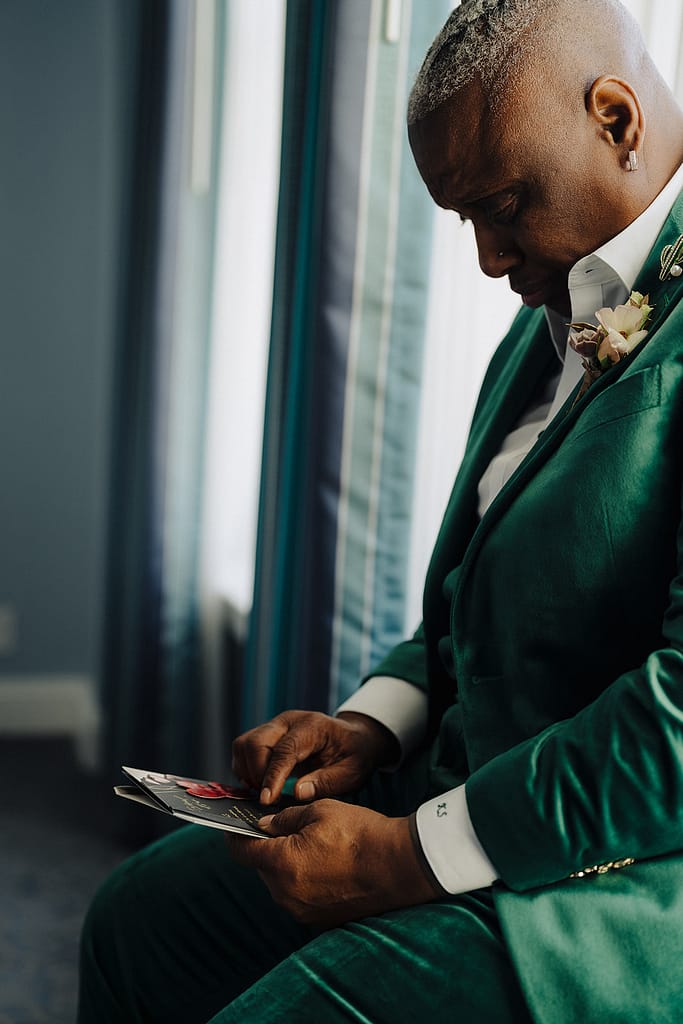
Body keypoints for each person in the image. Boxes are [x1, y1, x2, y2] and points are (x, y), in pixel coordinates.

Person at [78, 1, 683, 1020]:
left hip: (609, 889)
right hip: (443, 791)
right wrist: (371, 724)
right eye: (464, 220)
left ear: (614, 120)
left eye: (502, 205)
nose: (487, 258)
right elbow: (471, 601)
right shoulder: (553, 310)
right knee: (137, 919)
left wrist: (406, 857)